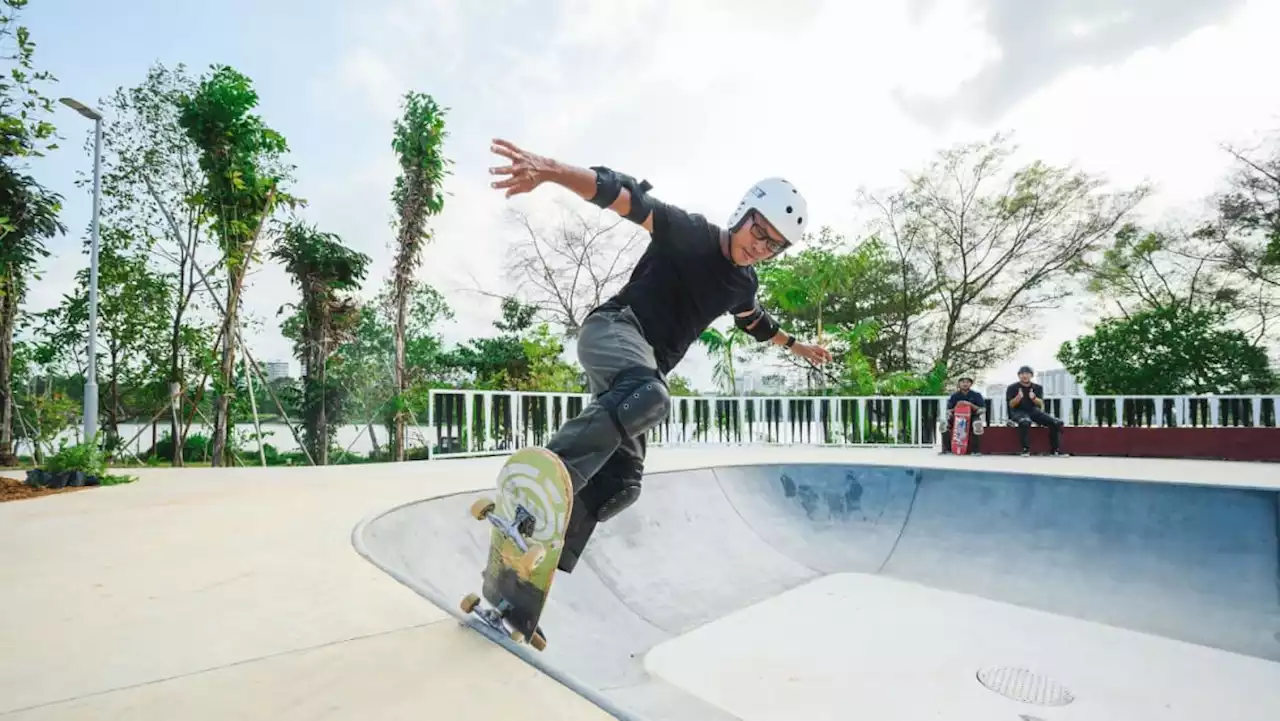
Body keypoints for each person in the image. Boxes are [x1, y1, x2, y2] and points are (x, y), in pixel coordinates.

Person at [488, 138, 833, 572]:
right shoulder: (694, 235)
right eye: (758, 231)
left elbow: (753, 321)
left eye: (773, 245)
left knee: (622, 483)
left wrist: (798, 346)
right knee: (650, 395)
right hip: (614, 328)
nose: (759, 246)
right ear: (743, 214)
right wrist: (552, 169)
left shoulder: (743, 284)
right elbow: (625, 196)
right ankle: (537, 485)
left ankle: (534, 558)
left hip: (639, 370)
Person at [1005, 365, 1066, 456]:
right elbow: (1011, 405)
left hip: (1034, 411)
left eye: (1027, 374)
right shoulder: (1012, 387)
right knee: (1025, 422)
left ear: (1031, 375)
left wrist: (1034, 398)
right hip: (1018, 411)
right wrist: (1018, 398)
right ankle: (1026, 449)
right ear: (1019, 376)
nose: (1024, 376)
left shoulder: (1037, 387)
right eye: (1022, 374)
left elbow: (1040, 404)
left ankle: (1055, 450)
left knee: (1056, 422)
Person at [940, 376, 984, 454]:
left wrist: (970, 405)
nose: (965, 384)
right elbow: (949, 410)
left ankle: (975, 451)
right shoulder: (954, 396)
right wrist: (957, 406)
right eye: (963, 382)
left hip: (972, 416)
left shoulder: (976, 395)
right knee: (943, 424)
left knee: (977, 424)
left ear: (971, 384)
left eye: (967, 382)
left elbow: (982, 409)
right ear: (959, 384)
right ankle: (947, 449)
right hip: (956, 417)